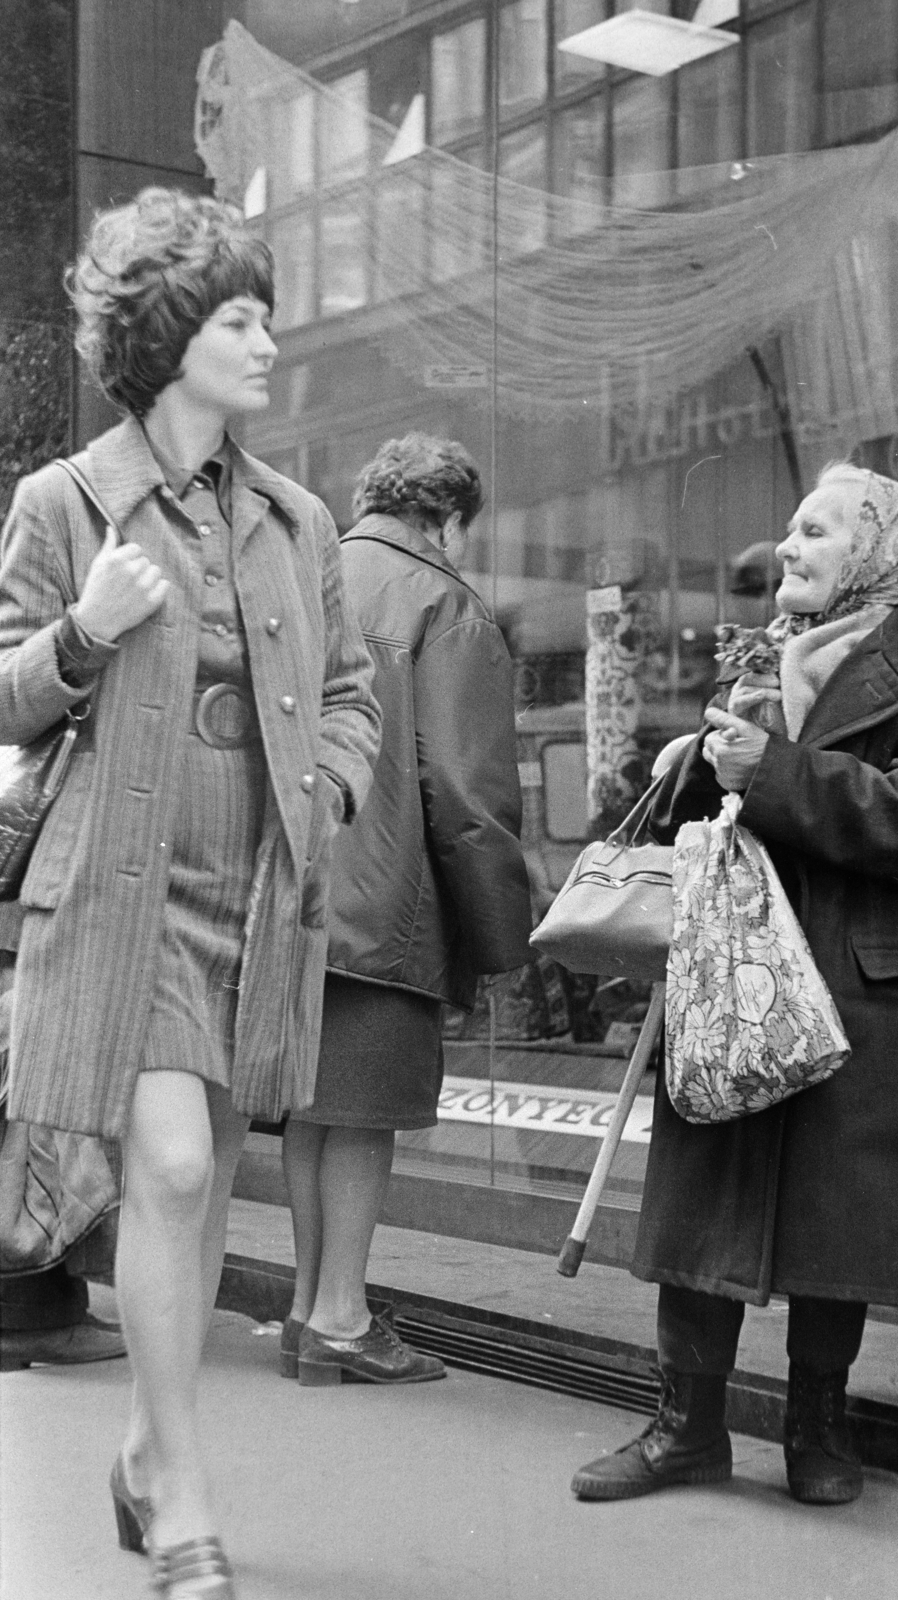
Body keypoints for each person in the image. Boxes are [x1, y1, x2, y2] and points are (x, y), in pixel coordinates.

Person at [0, 188, 381, 1597]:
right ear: (169, 340)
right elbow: (3, 695)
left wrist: (332, 787)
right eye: (239, 319)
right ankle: (183, 1501)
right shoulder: (66, 501)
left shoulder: (296, 518)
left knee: (208, 1181)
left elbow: (350, 697)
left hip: (260, 874)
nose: (269, 341)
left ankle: (142, 1457)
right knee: (162, 1166)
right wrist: (82, 635)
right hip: (126, 873)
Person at [571, 463, 898, 1507]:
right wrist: (692, 769)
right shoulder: (761, 662)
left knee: (835, 1213)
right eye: (789, 529)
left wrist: (764, 767)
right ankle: (685, 1427)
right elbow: (713, 818)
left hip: (864, 977)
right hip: (738, 965)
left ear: (874, 550)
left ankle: (818, 1426)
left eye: (814, 530)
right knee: (709, 1183)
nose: (788, 546)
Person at [281, 434, 531, 1386]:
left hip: (300, 895)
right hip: (388, 908)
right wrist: (506, 935)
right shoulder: (443, 603)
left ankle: (310, 1312)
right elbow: (464, 790)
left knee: (314, 1110)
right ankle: (342, 1316)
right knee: (366, 1117)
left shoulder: (308, 578)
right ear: (449, 517)